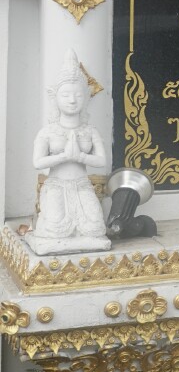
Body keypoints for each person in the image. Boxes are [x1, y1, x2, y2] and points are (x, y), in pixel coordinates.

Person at [26, 50, 110, 255]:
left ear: (86, 97)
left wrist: (79, 157)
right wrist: (64, 156)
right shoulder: (48, 132)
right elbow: (37, 162)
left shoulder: (90, 131)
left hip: (82, 184)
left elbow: (102, 160)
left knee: (96, 227)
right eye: (65, 94)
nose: (72, 100)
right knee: (54, 227)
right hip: (56, 185)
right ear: (54, 97)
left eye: (78, 94)